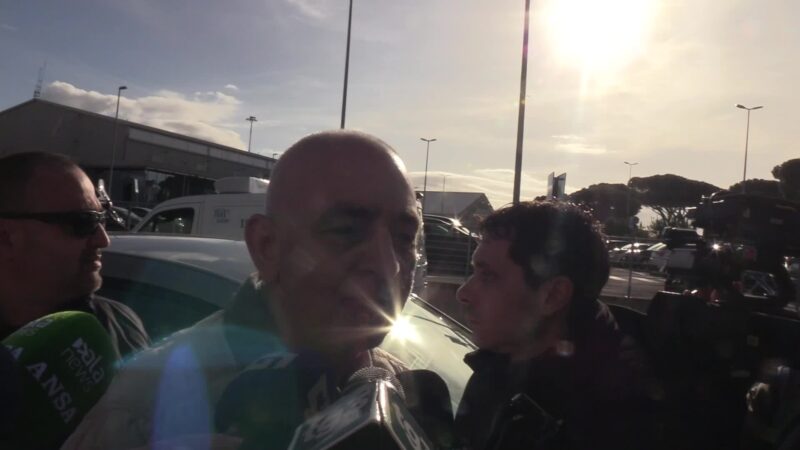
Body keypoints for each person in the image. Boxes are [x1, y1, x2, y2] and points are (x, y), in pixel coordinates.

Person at [62, 130, 422, 450]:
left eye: (405, 238)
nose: (388, 266)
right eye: (346, 231)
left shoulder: (397, 388)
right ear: (267, 246)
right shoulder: (144, 408)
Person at [454, 201, 651, 450]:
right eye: (474, 272)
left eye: (488, 276)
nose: (463, 293)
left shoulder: (610, 423)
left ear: (553, 296)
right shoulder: (499, 368)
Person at [0, 152, 149, 358]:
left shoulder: (119, 323)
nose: (103, 240)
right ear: (7, 237)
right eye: (82, 222)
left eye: (102, 220)